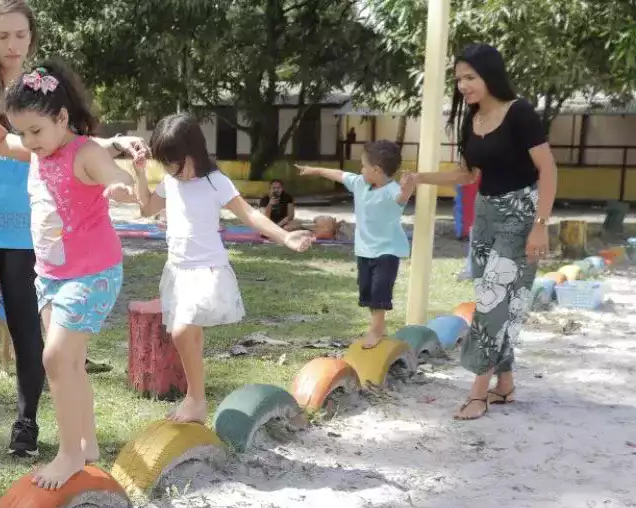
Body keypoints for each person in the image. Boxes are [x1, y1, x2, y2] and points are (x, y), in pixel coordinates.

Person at [0, 0, 149, 463]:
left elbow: (78, 139)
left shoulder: (41, 90)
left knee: (31, 334)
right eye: (3, 36)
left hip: (31, 235)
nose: (12, 45)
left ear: (31, 38)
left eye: (21, 36)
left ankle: (27, 427)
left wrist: (117, 152)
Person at [0, 60, 139, 489]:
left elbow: (114, 173)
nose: (28, 141)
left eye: (36, 131)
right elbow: (0, 142)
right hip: (53, 276)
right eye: (24, 132)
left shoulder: (84, 152)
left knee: (54, 358)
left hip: (92, 274)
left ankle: (70, 454)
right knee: (69, 363)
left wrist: (118, 185)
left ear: (61, 118)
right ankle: (88, 445)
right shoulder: (37, 150)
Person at [405, 43, 556, 421]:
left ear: (490, 75)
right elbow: (467, 175)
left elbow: (549, 169)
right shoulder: (470, 119)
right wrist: (421, 177)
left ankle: (477, 393)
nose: (463, 86)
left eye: (469, 77)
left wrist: (540, 226)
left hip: (521, 216)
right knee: (494, 300)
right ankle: (504, 383)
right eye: (458, 79)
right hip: (485, 218)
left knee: (491, 303)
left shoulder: (519, 113)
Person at [135, 113, 314, 423]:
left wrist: (285, 237)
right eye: (164, 165)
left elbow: (250, 216)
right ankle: (197, 399)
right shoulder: (171, 181)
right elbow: (147, 207)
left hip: (207, 270)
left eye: (174, 163)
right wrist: (139, 175)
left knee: (181, 331)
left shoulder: (215, 181)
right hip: (177, 271)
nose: (170, 171)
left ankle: (195, 399)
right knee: (189, 335)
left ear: (192, 154)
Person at [296, 140, 416, 350]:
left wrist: (408, 188)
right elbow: (336, 174)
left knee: (380, 289)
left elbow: (401, 198)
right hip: (364, 249)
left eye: (363, 166)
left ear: (376, 170)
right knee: (367, 289)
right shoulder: (360, 183)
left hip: (387, 250)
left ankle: (377, 328)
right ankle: (377, 326)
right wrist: (313, 169)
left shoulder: (391, 190)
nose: (360, 170)